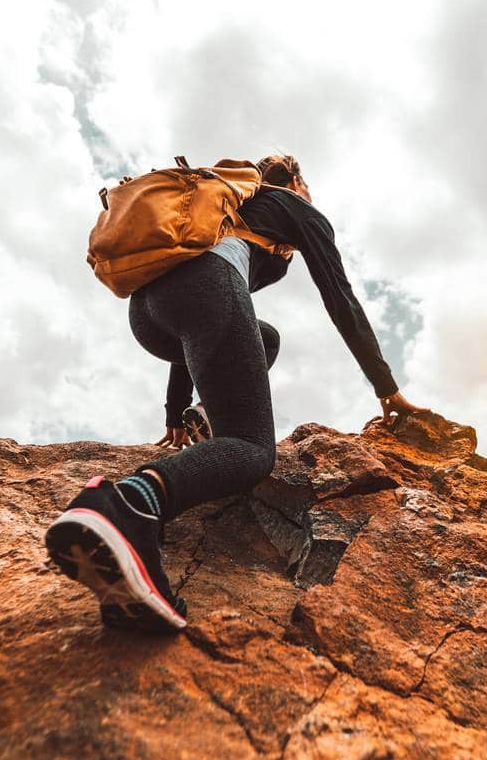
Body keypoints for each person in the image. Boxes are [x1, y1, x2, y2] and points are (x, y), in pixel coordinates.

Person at [44, 154, 428, 631]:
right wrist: (385, 385)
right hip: (206, 290)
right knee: (250, 449)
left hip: (148, 313)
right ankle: (126, 506)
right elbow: (340, 297)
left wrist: (177, 410)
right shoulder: (296, 207)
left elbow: (196, 322)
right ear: (297, 180)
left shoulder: (234, 208)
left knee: (263, 337)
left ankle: (202, 423)